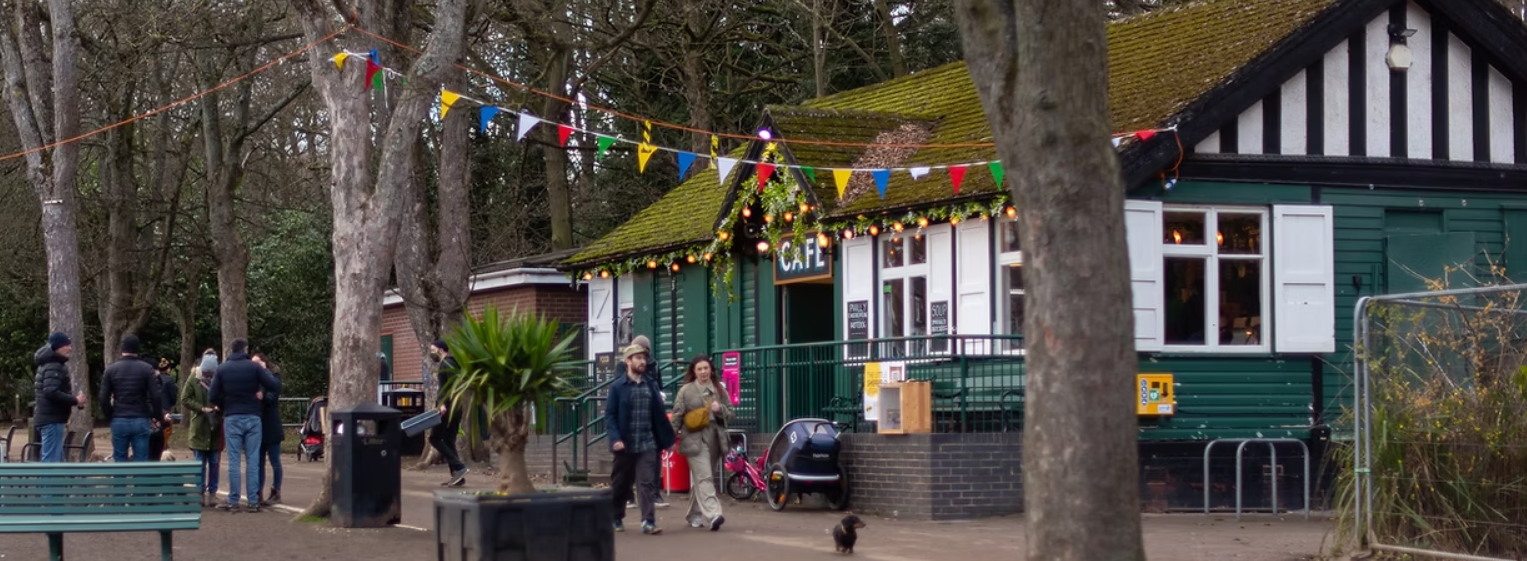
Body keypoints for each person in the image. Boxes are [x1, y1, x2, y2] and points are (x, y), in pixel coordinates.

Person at [606, 343, 674, 535]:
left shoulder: (650, 385)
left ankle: (648, 521)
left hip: (647, 442)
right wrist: (615, 439)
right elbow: (610, 416)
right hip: (625, 444)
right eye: (638, 358)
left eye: (644, 358)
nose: (642, 361)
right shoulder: (617, 387)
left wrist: (668, 440)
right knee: (621, 483)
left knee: (647, 482)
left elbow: (659, 415)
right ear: (628, 361)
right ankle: (616, 517)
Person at [209, 339, 280, 513]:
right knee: (253, 460)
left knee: (234, 460)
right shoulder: (254, 367)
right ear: (245, 350)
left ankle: (234, 499)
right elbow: (274, 385)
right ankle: (253, 500)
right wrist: (263, 374)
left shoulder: (222, 369)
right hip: (253, 416)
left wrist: (225, 404)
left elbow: (212, 396)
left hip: (232, 416)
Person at [669, 355, 733, 531]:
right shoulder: (686, 391)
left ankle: (693, 515)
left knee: (702, 477)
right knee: (705, 476)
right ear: (694, 372)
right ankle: (714, 514)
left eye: (706, 368)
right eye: (699, 369)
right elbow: (677, 416)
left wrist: (720, 410)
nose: (703, 372)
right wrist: (669, 438)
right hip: (693, 438)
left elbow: (731, 414)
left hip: (715, 437)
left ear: (711, 370)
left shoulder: (720, 390)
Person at [617, 335, 667, 509]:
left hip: (649, 419)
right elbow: (619, 386)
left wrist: (660, 395)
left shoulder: (654, 366)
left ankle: (653, 495)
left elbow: (658, 385)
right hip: (630, 420)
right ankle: (628, 496)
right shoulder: (622, 366)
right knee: (628, 461)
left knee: (653, 459)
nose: (641, 359)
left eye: (643, 353)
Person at [100, 335, 167, 463]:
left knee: (119, 460)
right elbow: (156, 395)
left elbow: (103, 398)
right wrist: (157, 416)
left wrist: (110, 415)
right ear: (137, 349)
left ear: (122, 349)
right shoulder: (146, 369)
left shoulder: (111, 370)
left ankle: (121, 477)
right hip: (141, 418)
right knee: (141, 461)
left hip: (119, 418)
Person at [32, 332, 84, 463]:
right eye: (67, 345)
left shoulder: (48, 364)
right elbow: (51, 392)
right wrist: (75, 400)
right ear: (58, 347)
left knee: (57, 459)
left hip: (51, 418)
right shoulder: (54, 365)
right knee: (51, 461)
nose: (70, 348)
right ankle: (48, 478)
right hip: (51, 420)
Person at [181, 350, 222, 507]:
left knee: (214, 463)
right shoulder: (194, 378)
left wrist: (219, 407)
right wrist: (201, 408)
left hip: (215, 427)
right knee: (199, 463)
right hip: (199, 425)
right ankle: (200, 493)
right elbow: (185, 398)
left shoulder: (220, 378)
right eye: (206, 373)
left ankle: (213, 493)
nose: (208, 376)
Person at [427, 340, 468, 487]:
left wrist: (443, 403)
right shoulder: (451, 363)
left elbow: (452, 386)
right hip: (455, 407)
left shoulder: (447, 364)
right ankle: (457, 475)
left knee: (434, 438)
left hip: (449, 408)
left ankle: (459, 467)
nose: (431, 353)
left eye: (433, 350)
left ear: (441, 350)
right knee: (449, 440)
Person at [254, 355, 283, 506]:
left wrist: (263, 396)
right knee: (259, 463)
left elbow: (273, 397)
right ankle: (258, 491)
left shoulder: (273, 378)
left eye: (258, 362)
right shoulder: (252, 380)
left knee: (275, 461)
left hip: (271, 425)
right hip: (258, 426)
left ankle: (276, 490)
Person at [146, 356, 178, 462]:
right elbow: (173, 397)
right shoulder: (168, 380)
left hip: (150, 416)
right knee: (164, 436)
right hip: (164, 411)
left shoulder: (145, 380)